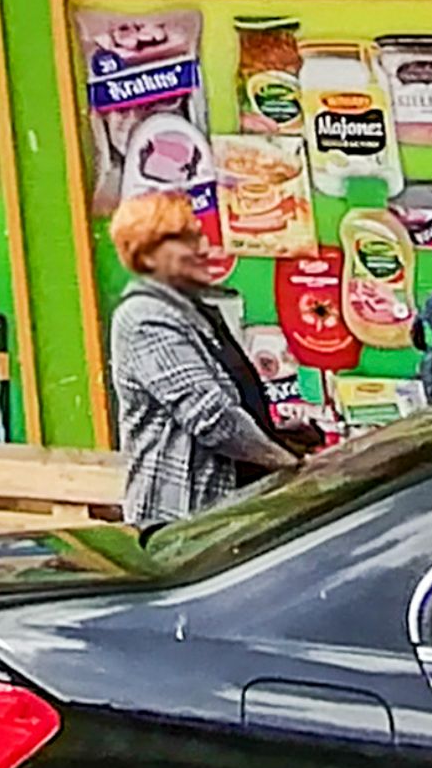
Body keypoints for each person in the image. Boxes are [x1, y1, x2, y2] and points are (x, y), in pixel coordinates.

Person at [103, 189, 298, 532]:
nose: (204, 248)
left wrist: (278, 435)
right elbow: (210, 416)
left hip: (229, 509)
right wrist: (287, 463)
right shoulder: (144, 318)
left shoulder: (196, 311)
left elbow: (234, 402)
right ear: (147, 255)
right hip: (184, 518)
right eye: (186, 240)